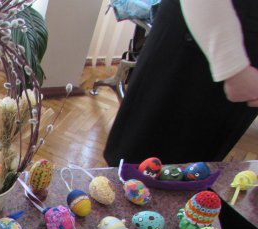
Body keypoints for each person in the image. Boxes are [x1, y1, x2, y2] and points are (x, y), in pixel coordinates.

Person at [103, 0, 258, 166]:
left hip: (243, 61)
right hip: (203, 43)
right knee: (140, 162)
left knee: (195, 168)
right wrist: (233, 68)